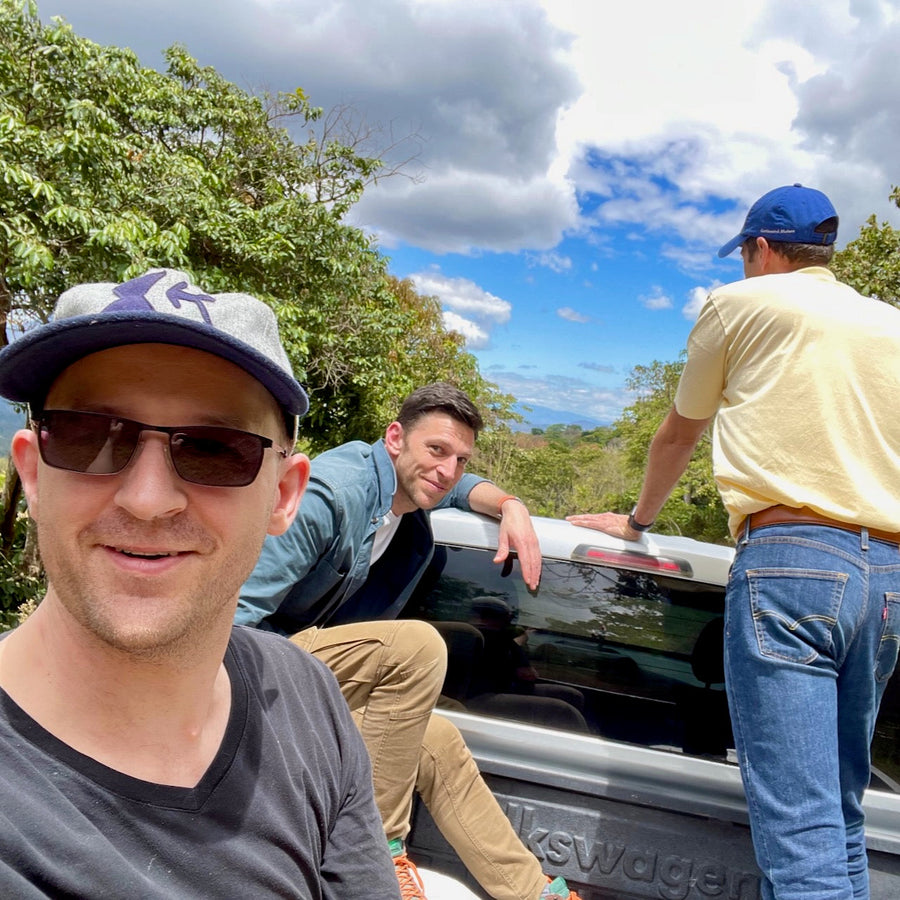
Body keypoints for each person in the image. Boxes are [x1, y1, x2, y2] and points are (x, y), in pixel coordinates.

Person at [0, 268, 401, 898]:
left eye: (215, 449)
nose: (148, 500)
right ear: (32, 470)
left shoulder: (305, 696)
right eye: (90, 436)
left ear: (284, 495)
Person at [567, 184, 900, 900]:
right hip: (887, 582)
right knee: (840, 819)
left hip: (792, 564)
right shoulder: (889, 324)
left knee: (801, 838)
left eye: (746, 254)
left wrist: (638, 523)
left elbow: (681, 432)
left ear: (761, 248)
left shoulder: (738, 305)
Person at [238, 383, 581, 900]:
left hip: (309, 674)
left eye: (460, 458)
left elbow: (458, 487)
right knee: (420, 646)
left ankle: (538, 895)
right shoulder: (333, 494)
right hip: (252, 666)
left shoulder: (406, 495)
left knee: (438, 742)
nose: (447, 470)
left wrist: (511, 504)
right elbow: (236, 621)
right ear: (394, 438)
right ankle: (381, 855)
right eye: (436, 450)